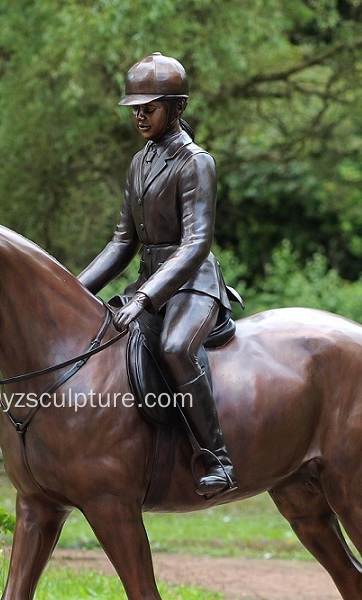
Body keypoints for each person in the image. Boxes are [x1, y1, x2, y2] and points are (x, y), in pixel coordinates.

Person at [78, 52, 237, 498]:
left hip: (192, 284)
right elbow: (121, 243)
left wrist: (145, 298)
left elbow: (195, 244)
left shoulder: (195, 162)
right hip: (148, 287)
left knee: (175, 347)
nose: (140, 115)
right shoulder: (139, 163)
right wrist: (72, 291)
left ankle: (217, 458)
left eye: (150, 107)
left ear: (177, 107)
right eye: (136, 108)